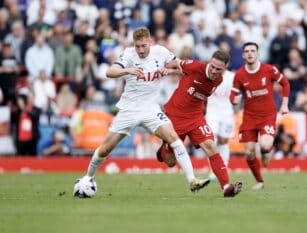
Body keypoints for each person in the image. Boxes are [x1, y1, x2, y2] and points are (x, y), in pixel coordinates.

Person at [78, 27, 209, 193]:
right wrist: (127, 70)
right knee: (105, 148)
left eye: (143, 46)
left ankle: (192, 180)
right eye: (137, 46)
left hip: (150, 109)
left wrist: (169, 70)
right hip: (129, 109)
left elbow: (181, 67)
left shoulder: (161, 52)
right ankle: (88, 177)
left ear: (150, 42)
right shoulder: (128, 54)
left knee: (174, 138)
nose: (140, 50)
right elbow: (109, 72)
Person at [156, 50, 243, 198]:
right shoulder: (195, 66)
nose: (214, 71)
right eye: (213, 66)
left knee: (211, 146)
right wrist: (165, 69)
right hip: (175, 115)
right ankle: (164, 148)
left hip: (195, 117)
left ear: (225, 69)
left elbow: (202, 96)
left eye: (219, 69)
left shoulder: (219, 80)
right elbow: (177, 63)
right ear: (209, 61)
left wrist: (203, 111)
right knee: (170, 162)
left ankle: (226, 187)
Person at [230, 42, 290, 190]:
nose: (250, 53)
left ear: (257, 54)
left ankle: (265, 152)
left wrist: (284, 104)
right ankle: (260, 181)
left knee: (264, 145)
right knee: (249, 153)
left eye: (253, 51)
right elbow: (233, 94)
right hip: (249, 116)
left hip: (267, 115)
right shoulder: (239, 74)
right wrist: (234, 99)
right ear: (243, 55)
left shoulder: (269, 70)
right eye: (247, 51)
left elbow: (285, 83)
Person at [205, 69, 238, 181]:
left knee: (224, 141)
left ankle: (224, 167)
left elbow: (238, 93)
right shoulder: (209, 74)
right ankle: (213, 170)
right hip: (211, 112)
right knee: (211, 140)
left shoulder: (232, 77)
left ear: (226, 64)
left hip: (226, 113)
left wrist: (237, 104)